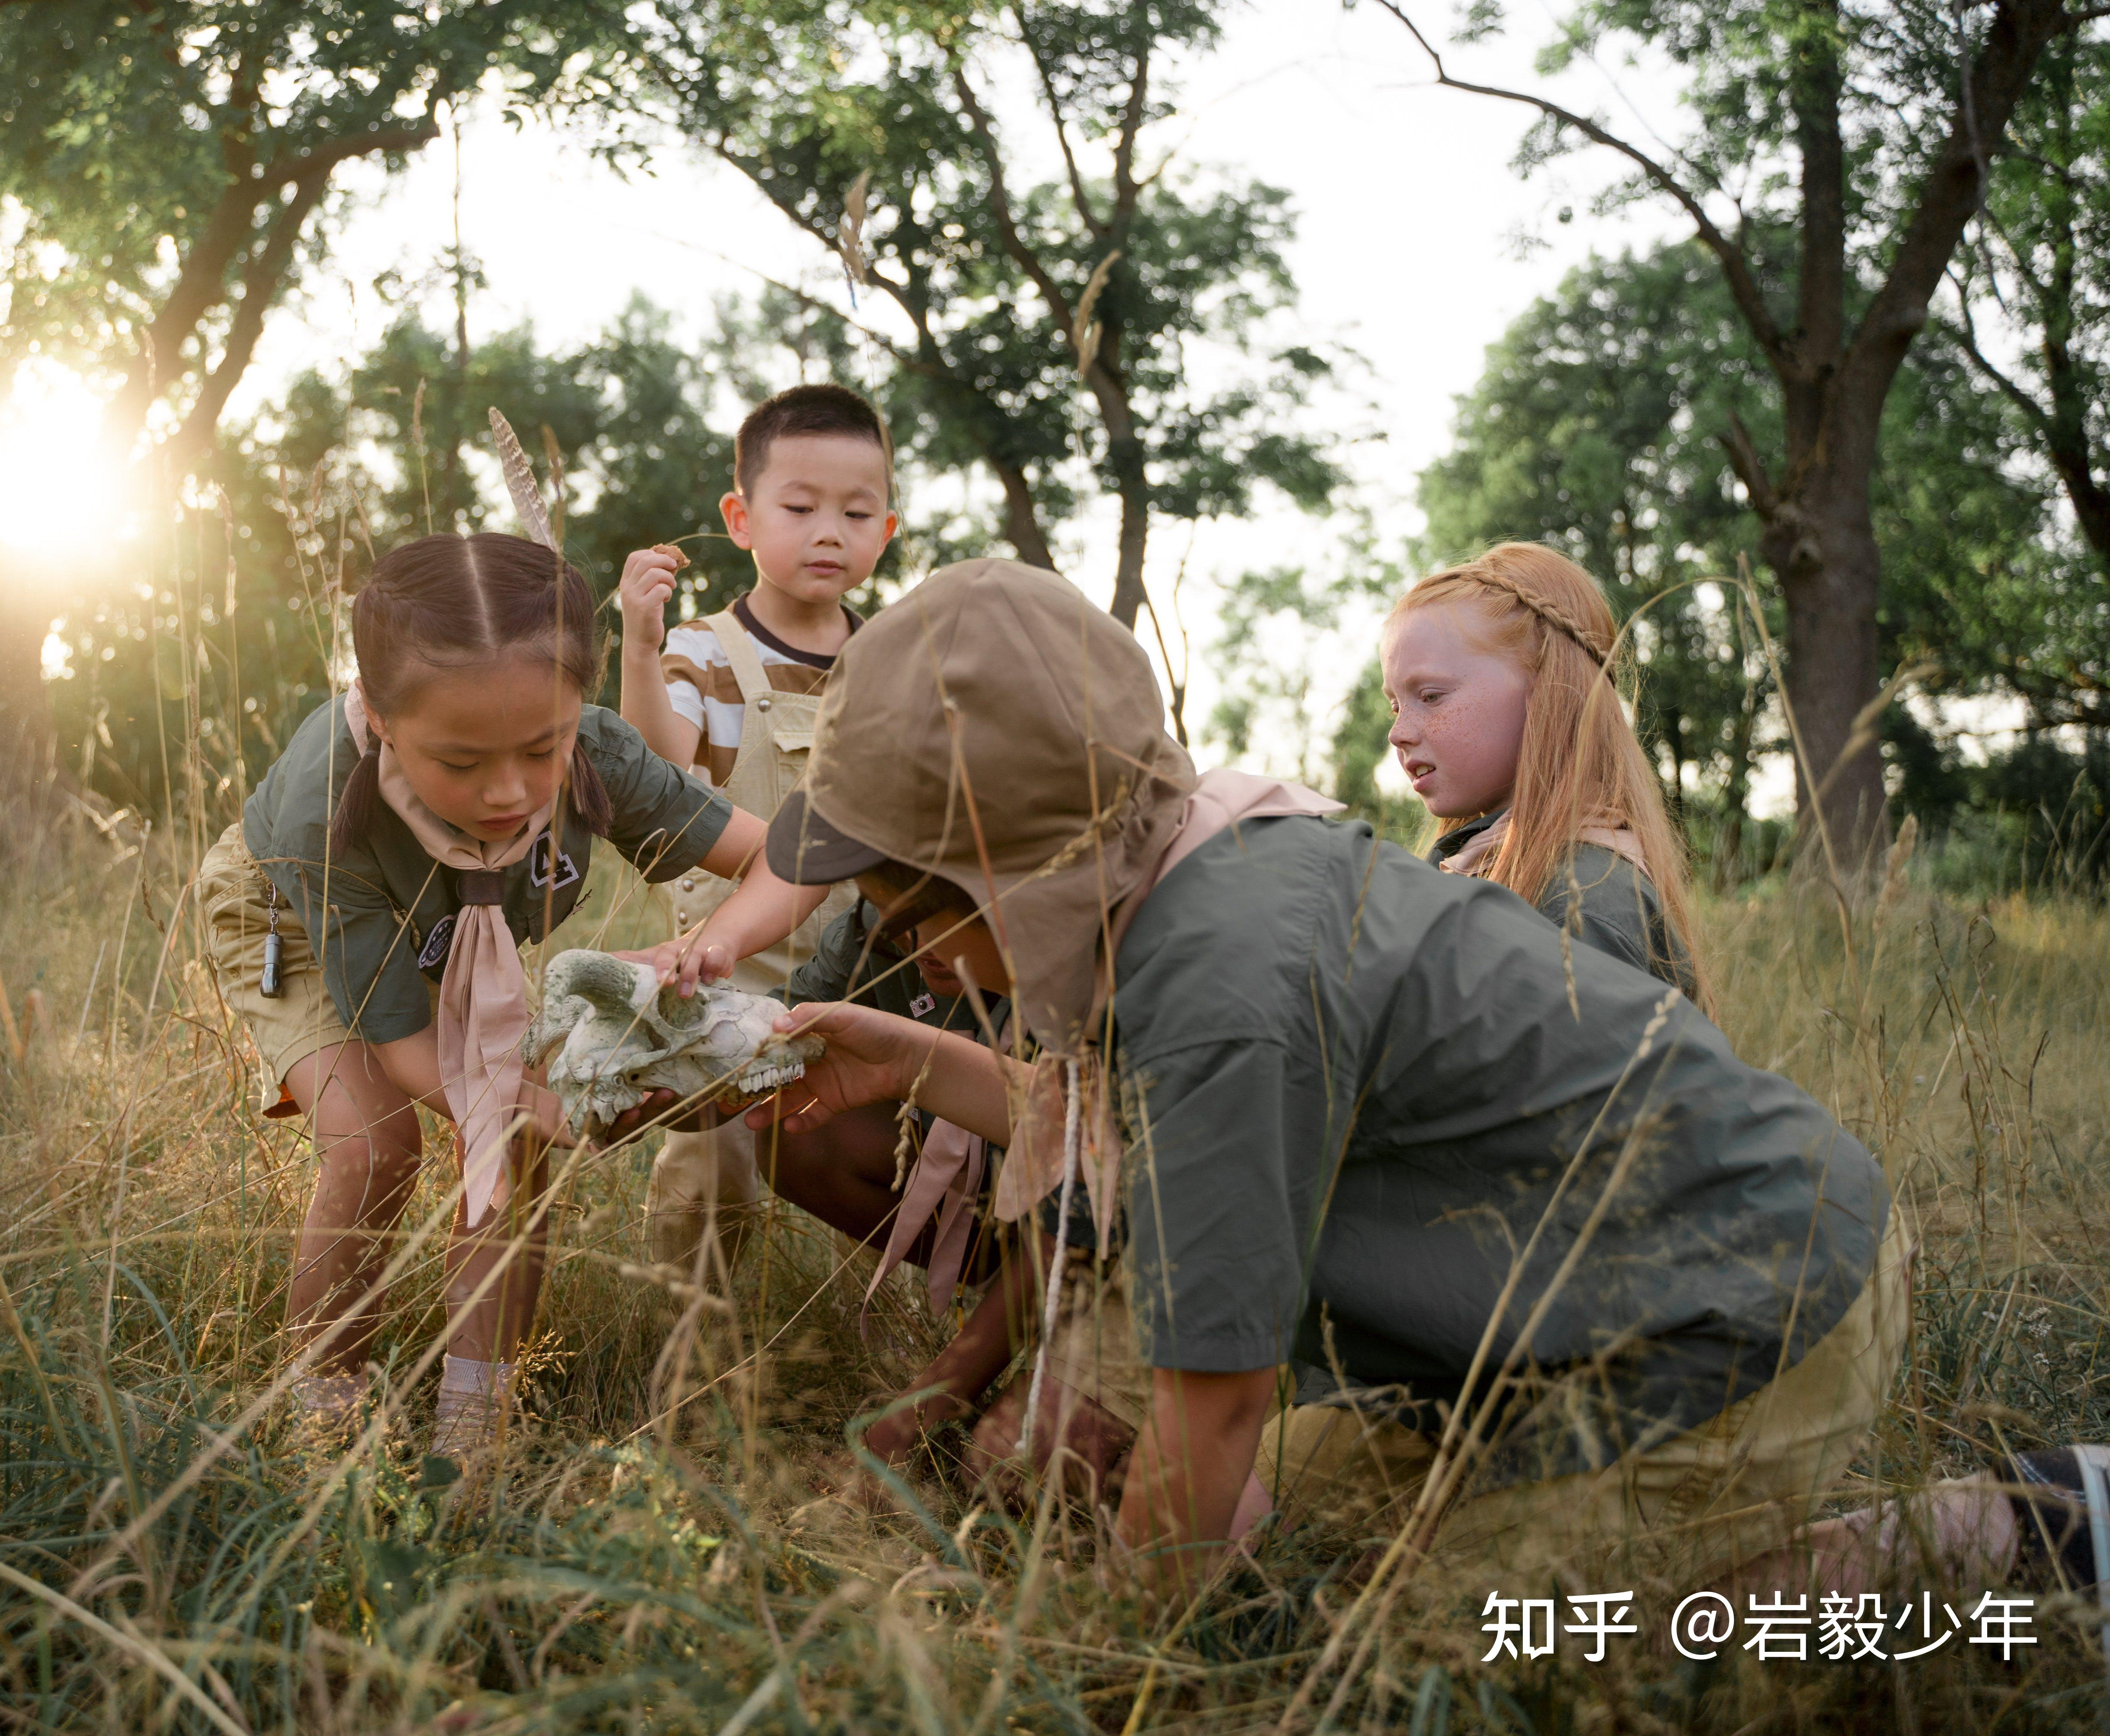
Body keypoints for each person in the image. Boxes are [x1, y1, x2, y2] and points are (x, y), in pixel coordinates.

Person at [735, 557, 2078, 1606]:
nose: (905, 941)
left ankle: (2019, 1526)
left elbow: (1210, 1407)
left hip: (1742, 1304)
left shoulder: (1221, 988)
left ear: (999, 875)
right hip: (1542, 1321)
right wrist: (915, 1056)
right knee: (1300, 1521)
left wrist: (1120, 1665)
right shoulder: (1194, 875)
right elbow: (1149, 1139)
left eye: (906, 904)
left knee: (1470, 1651)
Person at [196, 531, 825, 1456]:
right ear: (375, 712)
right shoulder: (322, 808)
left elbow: (790, 860)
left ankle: (477, 1419)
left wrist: (711, 940)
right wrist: (556, 1103)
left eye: (544, 748)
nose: (509, 790)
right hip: (287, 917)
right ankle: (324, 1418)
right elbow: (406, 1042)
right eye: (459, 761)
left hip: (449, 926)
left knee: (512, 1145)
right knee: (377, 1141)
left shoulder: (599, 754)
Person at [614, 383, 892, 1274]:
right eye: (800, 507)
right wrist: (639, 647)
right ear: (741, 518)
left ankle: (858, 1319)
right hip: (732, 962)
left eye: (857, 512)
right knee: (713, 1161)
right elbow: (660, 769)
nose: (828, 532)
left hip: (859, 962)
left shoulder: (890, 659)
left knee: (878, 1138)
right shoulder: (703, 650)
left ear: (887, 530)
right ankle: (693, 1329)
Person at [1382, 542, 1704, 999]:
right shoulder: (1482, 863)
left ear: (1550, 693)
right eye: (1394, 705)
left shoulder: (1581, 902)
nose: (1398, 733)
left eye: (1431, 696)